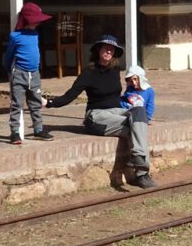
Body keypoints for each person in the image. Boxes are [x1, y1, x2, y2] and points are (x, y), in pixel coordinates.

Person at [44, 34, 156, 189]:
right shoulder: (89, 73)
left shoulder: (115, 70)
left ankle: (138, 159)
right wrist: (49, 103)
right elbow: (70, 95)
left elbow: (120, 96)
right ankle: (142, 174)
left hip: (116, 111)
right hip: (96, 116)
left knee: (139, 112)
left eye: (112, 49)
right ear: (98, 50)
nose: (109, 51)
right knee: (137, 127)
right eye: (106, 47)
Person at [4, 1, 54, 145]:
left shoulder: (35, 34)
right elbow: (9, 55)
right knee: (16, 104)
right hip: (19, 73)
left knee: (35, 102)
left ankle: (38, 129)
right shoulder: (15, 36)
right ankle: (14, 132)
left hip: (34, 74)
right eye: (35, 20)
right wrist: (8, 70)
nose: (38, 23)